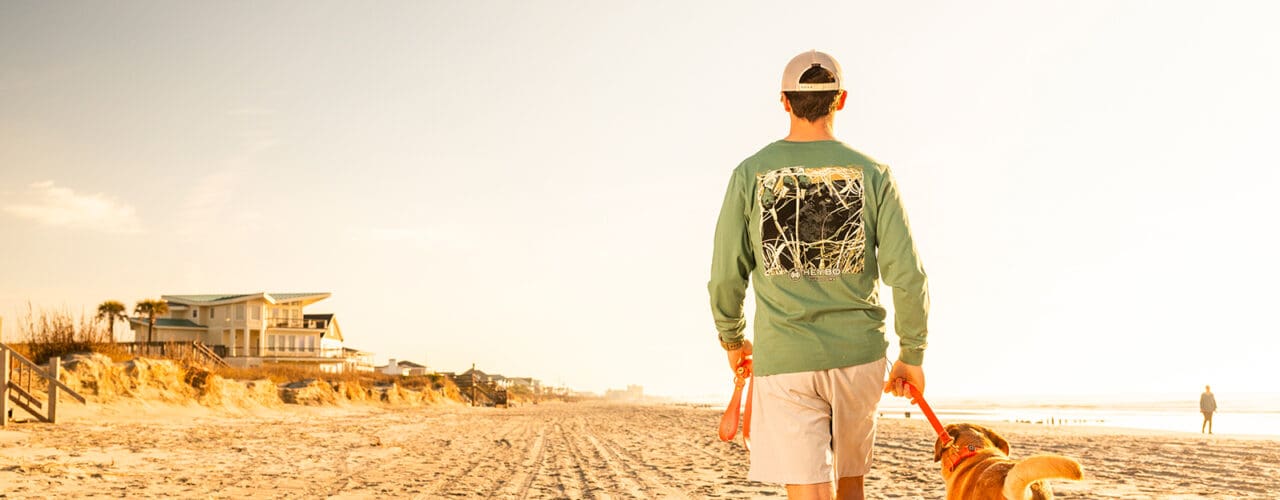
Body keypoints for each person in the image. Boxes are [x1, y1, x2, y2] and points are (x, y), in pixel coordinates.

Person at [708, 50, 930, 500]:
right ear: (841, 100)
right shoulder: (874, 175)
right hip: (859, 357)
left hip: (786, 358)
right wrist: (912, 353)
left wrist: (732, 340)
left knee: (808, 492)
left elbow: (726, 272)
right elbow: (907, 274)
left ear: (784, 102)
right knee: (850, 486)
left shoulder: (751, 174)